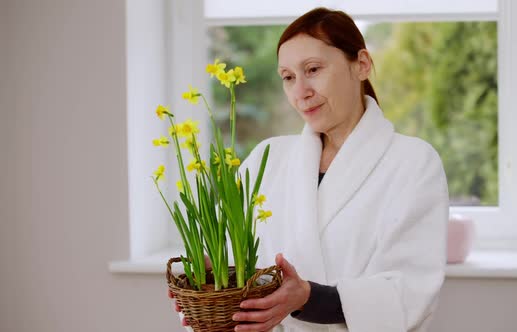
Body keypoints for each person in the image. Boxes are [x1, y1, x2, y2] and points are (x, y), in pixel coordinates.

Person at [174, 7, 449, 332]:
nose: (300, 92)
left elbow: (408, 292)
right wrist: (208, 278)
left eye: (313, 69)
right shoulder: (268, 158)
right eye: (288, 77)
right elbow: (232, 265)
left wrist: (307, 298)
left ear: (361, 64)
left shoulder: (413, 163)